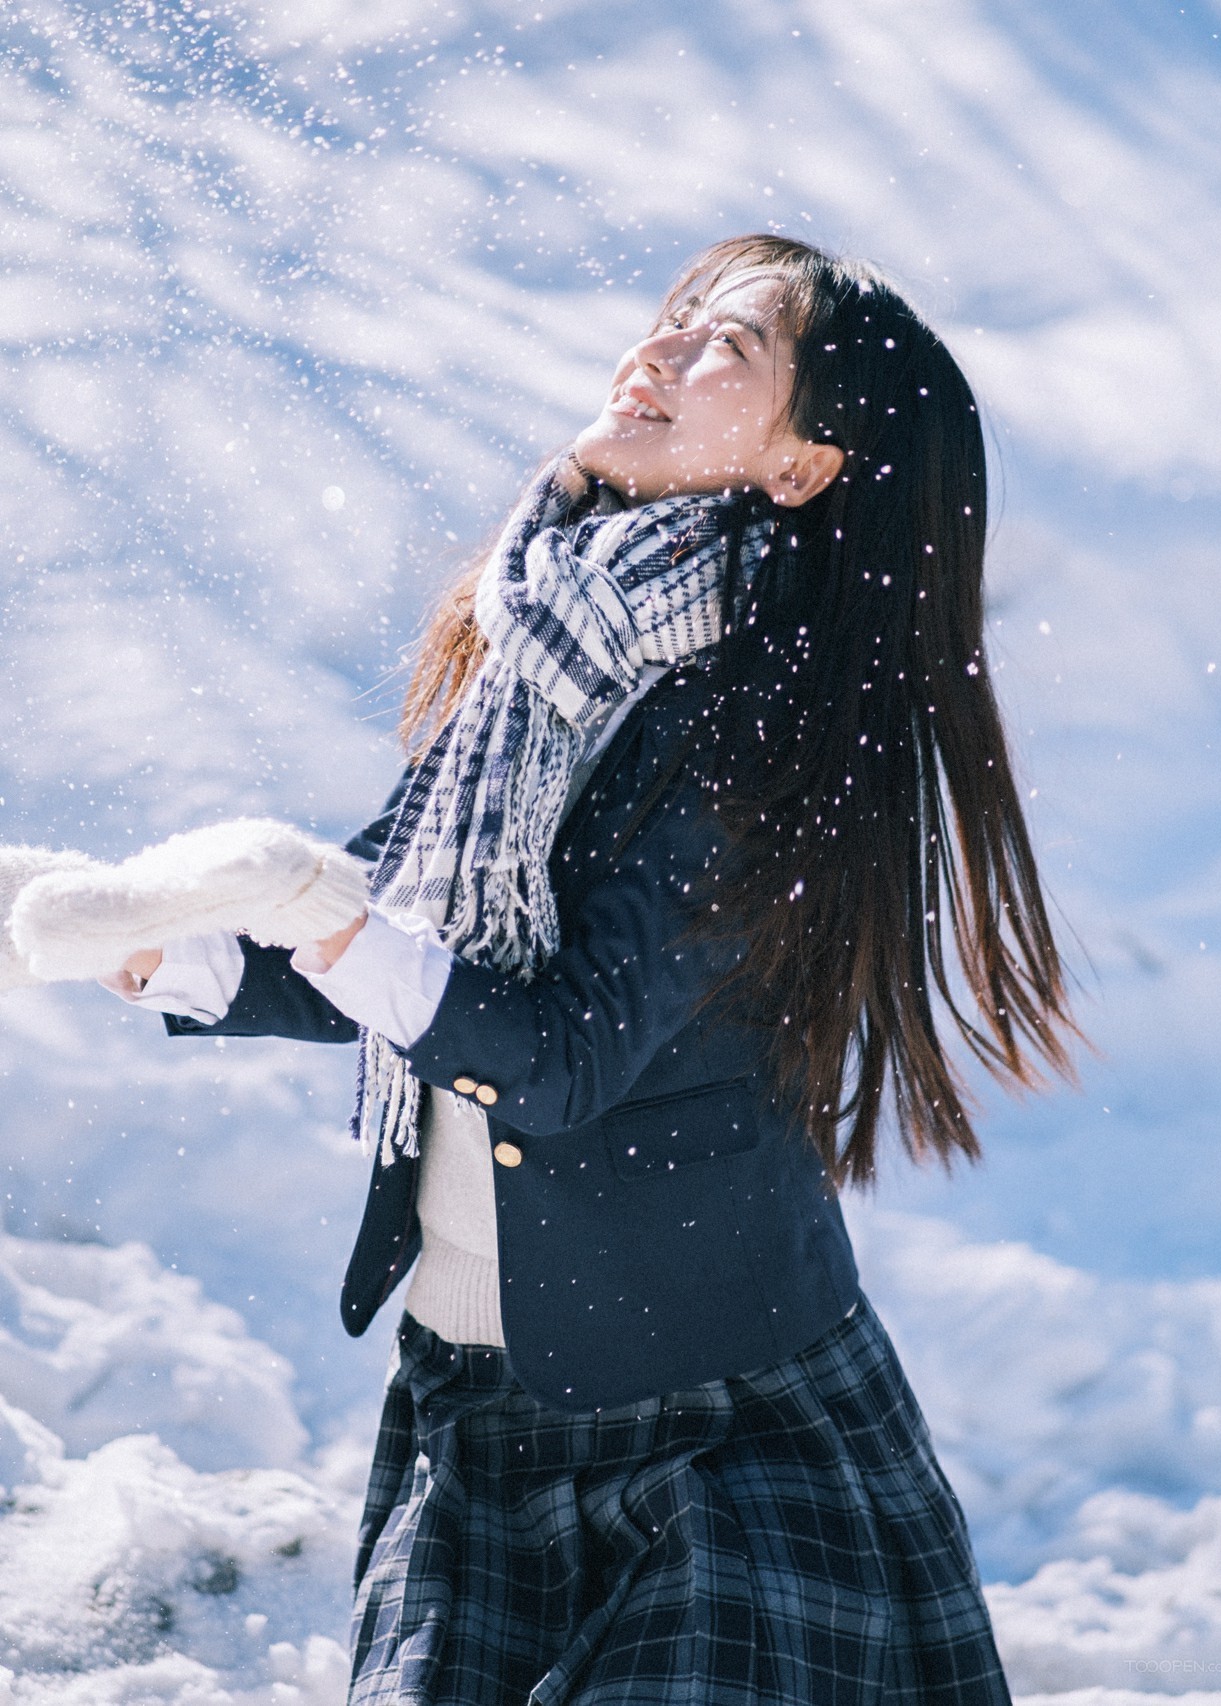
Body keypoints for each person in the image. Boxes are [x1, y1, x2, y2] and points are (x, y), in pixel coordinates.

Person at [93, 233, 1074, 1703]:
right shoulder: (544, 644)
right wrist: (157, 942)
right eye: (669, 322)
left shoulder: (769, 708)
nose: (655, 354)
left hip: (718, 1422)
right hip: (472, 1407)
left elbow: (556, 1050)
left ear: (806, 464)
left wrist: (339, 925)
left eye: (723, 348)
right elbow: (404, 929)